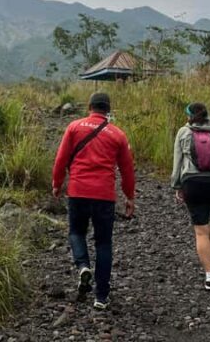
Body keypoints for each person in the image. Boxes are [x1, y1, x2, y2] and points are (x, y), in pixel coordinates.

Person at [52, 91, 135, 310]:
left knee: (76, 232)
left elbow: (61, 159)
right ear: (108, 110)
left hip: (78, 191)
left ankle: (82, 266)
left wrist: (57, 183)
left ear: (89, 107)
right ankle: (101, 297)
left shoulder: (74, 127)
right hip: (104, 196)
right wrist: (129, 196)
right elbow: (127, 171)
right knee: (104, 243)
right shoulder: (118, 135)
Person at [171, 102, 210, 292]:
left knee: (201, 230)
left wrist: (177, 185)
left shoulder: (183, 132)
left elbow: (177, 163)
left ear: (189, 115)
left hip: (194, 181)